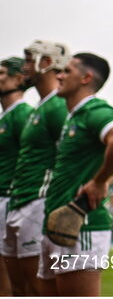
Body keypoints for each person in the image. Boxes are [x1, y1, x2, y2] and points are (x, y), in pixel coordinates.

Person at [37, 53, 113, 297]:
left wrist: (100, 181)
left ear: (86, 78)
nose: (59, 76)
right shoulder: (72, 117)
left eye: (66, 71)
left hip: (81, 228)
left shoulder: (95, 110)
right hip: (57, 225)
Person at [4, 40, 70, 296]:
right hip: (20, 200)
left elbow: (66, 156)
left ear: (47, 63)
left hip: (38, 201)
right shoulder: (39, 108)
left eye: (30, 60)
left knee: (37, 285)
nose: (25, 67)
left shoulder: (56, 107)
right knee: (19, 285)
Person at [0, 57, 32, 296]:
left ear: (20, 79)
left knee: (10, 275)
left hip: (10, 199)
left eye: (2, 73)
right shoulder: (6, 116)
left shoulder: (23, 115)